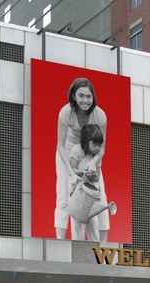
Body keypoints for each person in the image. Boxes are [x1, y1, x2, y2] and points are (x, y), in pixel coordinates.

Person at [55, 77, 109, 240]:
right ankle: (60, 242)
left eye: (88, 96)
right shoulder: (66, 113)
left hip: (91, 153)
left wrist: (93, 162)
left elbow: (102, 147)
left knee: (101, 195)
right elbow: (60, 145)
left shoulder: (99, 115)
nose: (85, 100)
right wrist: (71, 172)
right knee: (64, 197)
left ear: (93, 98)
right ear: (73, 96)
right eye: (81, 96)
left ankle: (104, 244)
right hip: (68, 151)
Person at [67, 124, 110, 242]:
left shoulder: (97, 155)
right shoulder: (76, 150)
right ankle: (77, 255)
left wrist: (94, 176)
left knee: (93, 227)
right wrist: (83, 172)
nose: (97, 148)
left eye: (99, 145)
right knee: (77, 228)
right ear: (86, 141)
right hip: (77, 193)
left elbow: (97, 177)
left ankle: (94, 256)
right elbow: (72, 170)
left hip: (90, 196)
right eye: (94, 144)